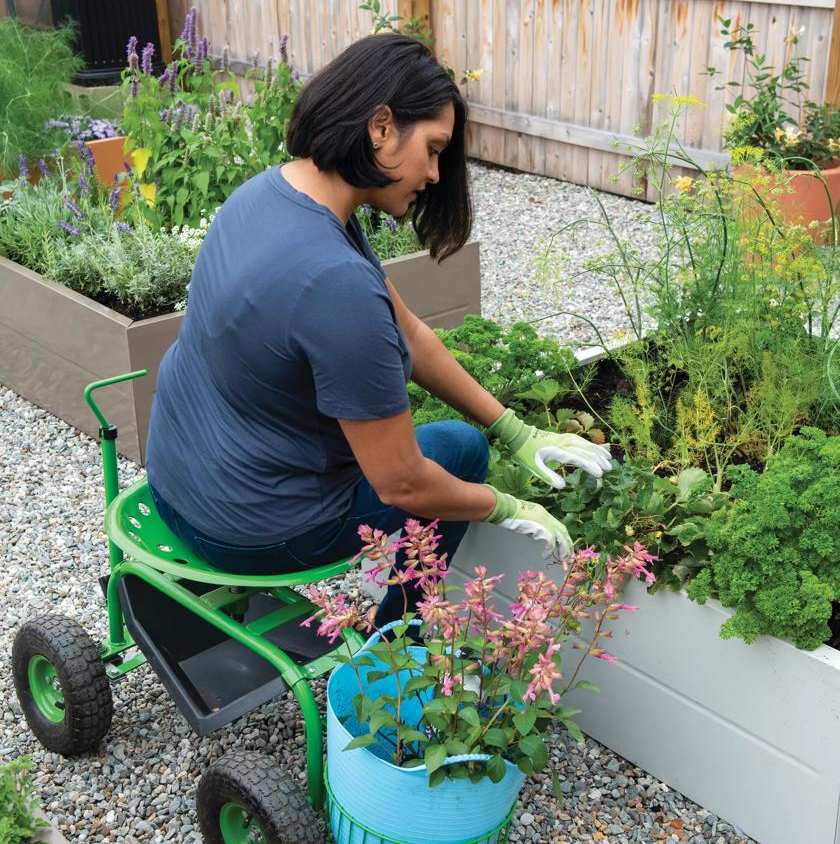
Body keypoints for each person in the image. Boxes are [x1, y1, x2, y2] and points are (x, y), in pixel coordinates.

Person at [145, 33, 612, 628]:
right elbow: (403, 486)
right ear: (381, 126)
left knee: (461, 439)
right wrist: (505, 504)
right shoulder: (334, 282)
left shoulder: (274, 193)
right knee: (458, 451)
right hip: (253, 532)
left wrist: (514, 429)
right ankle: (396, 639)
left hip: (173, 483)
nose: (437, 174)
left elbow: (410, 333)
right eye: (434, 148)